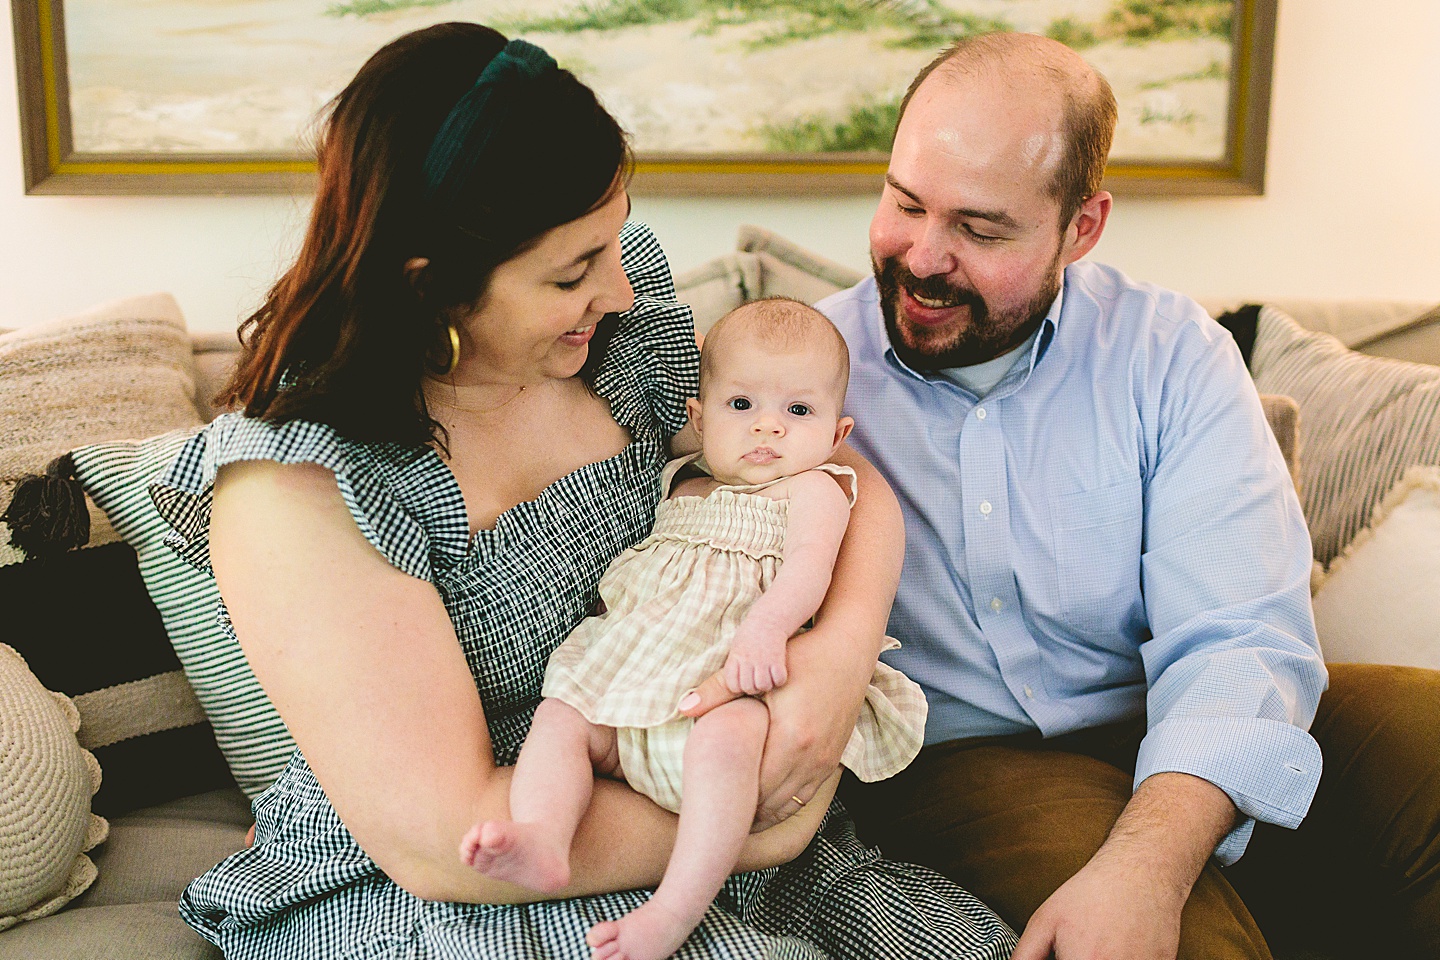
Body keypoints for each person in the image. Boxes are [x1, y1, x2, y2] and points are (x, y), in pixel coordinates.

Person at [149, 23, 1017, 960]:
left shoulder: (621, 338)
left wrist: (840, 665)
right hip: (487, 873)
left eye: (612, 242)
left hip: (698, 768)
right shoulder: (303, 485)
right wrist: (769, 821)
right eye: (573, 272)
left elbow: (835, 479)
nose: (623, 291)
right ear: (432, 288)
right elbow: (449, 845)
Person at [821, 30, 1440, 960]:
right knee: (1165, 939)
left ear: (1084, 226)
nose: (923, 256)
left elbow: (1241, 631)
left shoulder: (1170, 354)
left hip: (1157, 706)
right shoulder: (802, 374)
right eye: (905, 204)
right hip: (958, 760)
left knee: (1424, 737)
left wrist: (1154, 851)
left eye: (980, 230)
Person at [460, 298, 929, 960]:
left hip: (731, 688)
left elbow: (809, 574)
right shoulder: (680, 484)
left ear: (836, 432)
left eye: (798, 412)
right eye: (742, 406)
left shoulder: (814, 491)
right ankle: (542, 836)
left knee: (729, 738)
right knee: (562, 717)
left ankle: (675, 908)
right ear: (699, 419)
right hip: (636, 701)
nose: (767, 428)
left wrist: (767, 629)